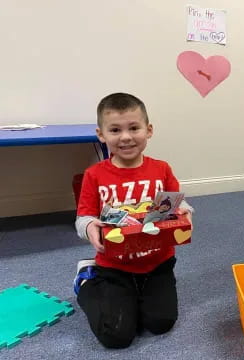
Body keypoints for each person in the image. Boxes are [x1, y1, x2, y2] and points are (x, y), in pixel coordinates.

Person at [73, 93, 194, 348]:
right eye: (115, 130)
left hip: (158, 263)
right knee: (115, 336)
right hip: (113, 265)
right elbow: (84, 216)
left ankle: (138, 295)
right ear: (101, 134)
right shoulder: (94, 175)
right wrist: (89, 227)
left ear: (148, 130)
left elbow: (177, 203)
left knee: (161, 323)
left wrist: (185, 212)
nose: (126, 137)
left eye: (134, 128)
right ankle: (86, 282)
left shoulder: (161, 169)